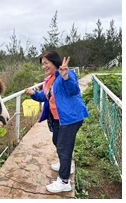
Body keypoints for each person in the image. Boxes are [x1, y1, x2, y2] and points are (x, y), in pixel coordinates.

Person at [24, 50, 89, 193]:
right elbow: (45, 96)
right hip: (57, 118)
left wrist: (65, 76)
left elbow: (73, 90)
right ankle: (65, 165)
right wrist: (34, 93)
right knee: (57, 142)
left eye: (46, 63)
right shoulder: (49, 79)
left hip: (70, 117)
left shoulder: (67, 74)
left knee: (63, 146)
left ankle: (64, 181)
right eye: (42, 64)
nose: (44, 66)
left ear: (54, 61)